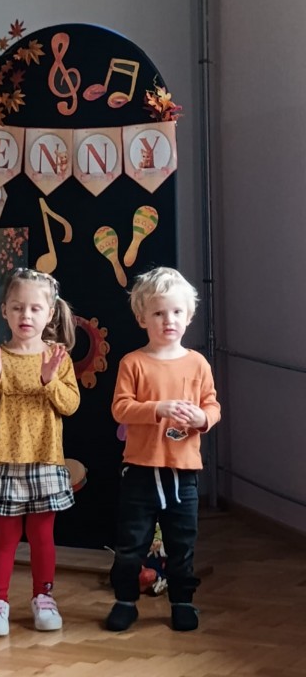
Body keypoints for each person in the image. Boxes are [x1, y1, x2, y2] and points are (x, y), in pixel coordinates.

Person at [107, 267, 221, 633]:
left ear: (188, 316)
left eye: (175, 312)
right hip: (140, 469)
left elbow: (212, 406)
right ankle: (125, 602)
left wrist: (202, 418)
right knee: (131, 544)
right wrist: (158, 409)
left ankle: (182, 601)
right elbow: (121, 408)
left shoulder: (198, 363)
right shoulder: (133, 362)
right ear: (143, 318)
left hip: (183, 471)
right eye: (158, 313)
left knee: (182, 542)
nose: (168, 320)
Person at [0, 267, 80, 637]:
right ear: (5, 310)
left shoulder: (58, 357)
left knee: (42, 537)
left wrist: (49, 380)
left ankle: (43, 598)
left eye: (35, 308)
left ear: (49, 313)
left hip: (45, 459)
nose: (26, 315)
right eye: (18, 307)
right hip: (5, 461)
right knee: (5, 538)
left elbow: (70, 404)